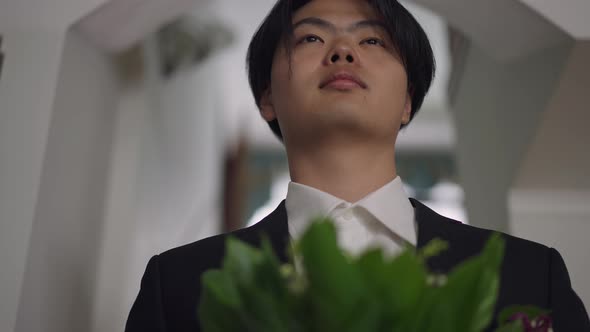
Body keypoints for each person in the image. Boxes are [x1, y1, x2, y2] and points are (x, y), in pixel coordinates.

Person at [125, 0, 590, 331]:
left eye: (372, 39)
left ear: (409, 100)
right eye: (311, 36)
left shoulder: (530, 275)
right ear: (267, 97)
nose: (343, 51)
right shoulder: (181, 286)